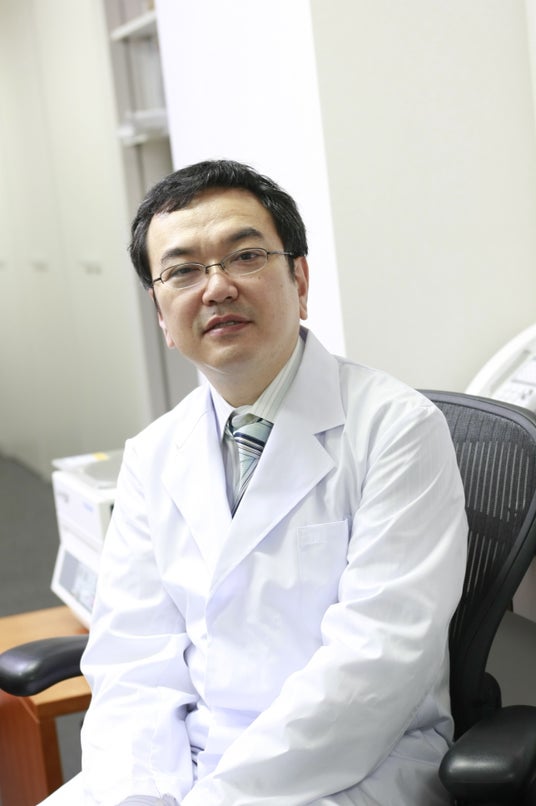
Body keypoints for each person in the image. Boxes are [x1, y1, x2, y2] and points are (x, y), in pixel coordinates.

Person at [41, 159, 467, 806]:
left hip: (352, 768)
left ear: (300, 279)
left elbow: (375, 667)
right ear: (161, 314)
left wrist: (219, 799)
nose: (216, 288)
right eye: (183, 271)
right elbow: (132, 661)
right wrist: (140, 795)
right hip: (185, 766)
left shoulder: (396, 429)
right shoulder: (153, 454)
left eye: (245, 256)